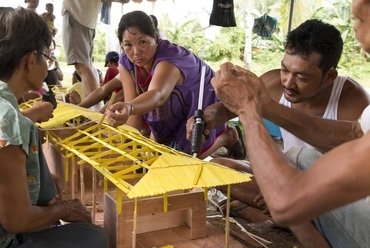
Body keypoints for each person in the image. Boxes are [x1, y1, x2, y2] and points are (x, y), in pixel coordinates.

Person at [206, 0, 370, 246]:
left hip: (340, 195)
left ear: (329, 77)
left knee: (294, 160)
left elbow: (346, 170)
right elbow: (355, 133)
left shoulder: (352, 99)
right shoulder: (273, 83)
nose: (288, 83)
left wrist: (282, 188)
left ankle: (273, 216)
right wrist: (209, 116)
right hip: (303, 184)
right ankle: (275, 211)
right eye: (285, 70)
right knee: (216, 166)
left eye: (302, 76)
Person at [0, 7, 108, 248]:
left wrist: (42, 183)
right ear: (30, 61)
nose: (49, 66)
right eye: (47, 58)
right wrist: (63, 208)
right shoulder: (7, 119)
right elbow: (16, 220)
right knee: (95, 237)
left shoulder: (10, 108)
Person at [105, 10, 246, 159]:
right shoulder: (126, 63)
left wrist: (130, 107)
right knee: (157, 155)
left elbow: (157, 95)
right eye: (128, 45)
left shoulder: (169, 59)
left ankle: (227, 136)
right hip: (170, 103)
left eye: (142, 42)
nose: (136, 52)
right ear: (121, 45)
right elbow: (133, 117)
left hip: (198, 96)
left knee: (185, 157)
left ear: (155, 37)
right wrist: (128, 148)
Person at [61, 0, 105, 110]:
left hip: (77, 13)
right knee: (87, 65)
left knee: (82, 66)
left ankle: (95, 114)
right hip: (88, 17)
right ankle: (95, 112)